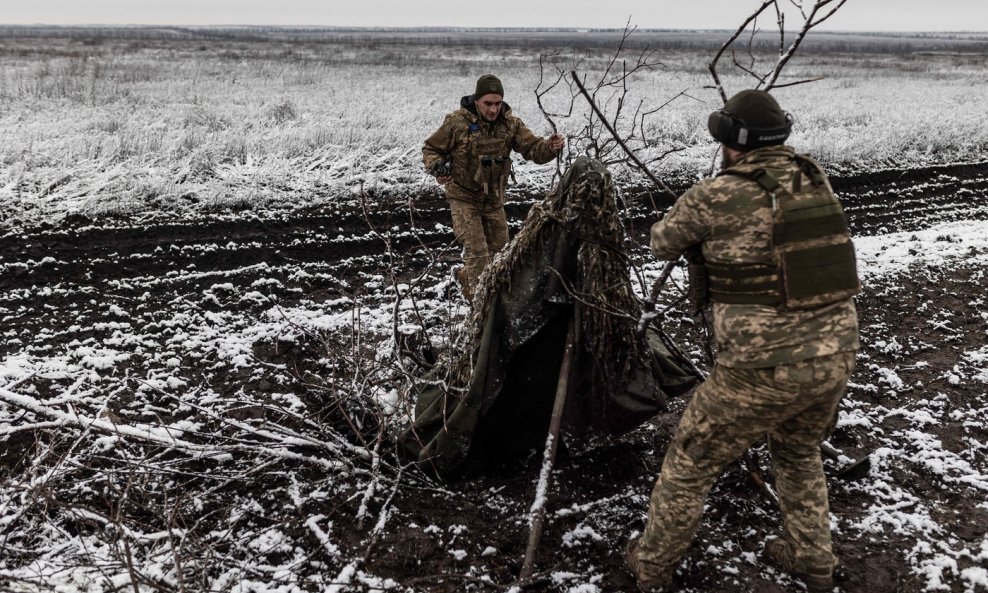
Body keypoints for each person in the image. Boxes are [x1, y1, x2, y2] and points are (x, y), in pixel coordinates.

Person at [626, 90, 861, 593]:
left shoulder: (717, 193)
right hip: (835, 354)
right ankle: (811, 560)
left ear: (730, 140)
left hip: (763, 365)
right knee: (798, 454)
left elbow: (661, 239)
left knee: (690, 462)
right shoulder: (812, 176)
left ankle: (650, 568)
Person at [423, 74, 565, 302]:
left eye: (498, 103)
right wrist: (437, 168)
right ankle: (480, 310)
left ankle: (465, 279)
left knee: (501, 256)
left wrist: (550, 146)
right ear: (477, 100)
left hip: (493, 200)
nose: (493, 109)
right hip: (464, 198)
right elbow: (431, 149)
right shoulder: (456, 123)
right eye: (488, 103)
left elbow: (534, 150)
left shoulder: (510, 125)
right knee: (478, 256)